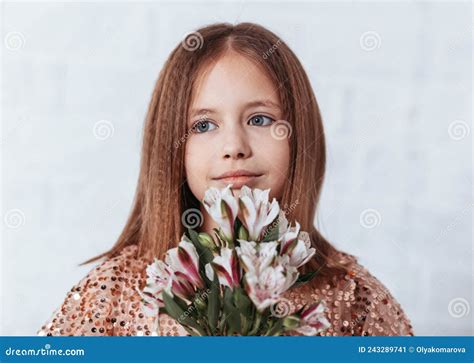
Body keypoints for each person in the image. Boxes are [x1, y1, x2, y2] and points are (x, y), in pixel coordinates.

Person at [38, 22, 414, 337]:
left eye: (260, 120)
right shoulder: (112, 294)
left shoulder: (355, 297)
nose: (234, 146)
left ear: (299, 134)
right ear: (171, 146)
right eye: (203, 125)